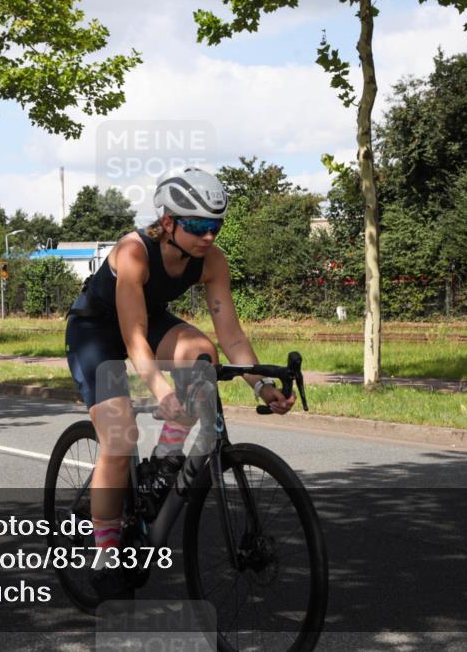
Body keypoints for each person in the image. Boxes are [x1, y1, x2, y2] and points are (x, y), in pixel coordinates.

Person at [64, 167, 295, 601]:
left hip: (147, 325)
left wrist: (261, 386)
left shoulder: (212, 260)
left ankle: (164, 465)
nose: (209, 236)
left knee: (202, 353)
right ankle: (105, 556)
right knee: (120, 436)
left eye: (216, 225)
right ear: (168, 221)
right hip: (97, 332)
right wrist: (163, 392)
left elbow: (232, 337)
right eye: (198, 226)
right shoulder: (134, 252)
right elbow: (132, 337)